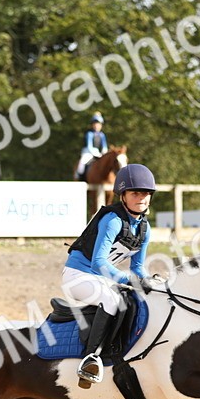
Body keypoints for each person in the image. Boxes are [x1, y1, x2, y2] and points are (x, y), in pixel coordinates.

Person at [62, 163, 156, 384]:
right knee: (112, 298)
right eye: (135, 193)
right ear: (123, 195)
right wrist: (128, 280)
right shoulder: (113, 220)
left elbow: (137, 268)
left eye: (145, 193)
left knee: (139, 299)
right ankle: (90, 358)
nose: (141, 198)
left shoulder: (145, 228)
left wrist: (149, 282)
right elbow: (97, 263)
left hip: (101, 278)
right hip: (76, 275)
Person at [74, 113, 108, 180]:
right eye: (95, 124)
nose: (96, 126)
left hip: (99, 153)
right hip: (88, 152)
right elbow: (89, 146)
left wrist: (104, 153)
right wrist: (96, 153)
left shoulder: (102, 135)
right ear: (92, 125)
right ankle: (78, 176)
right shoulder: (89, 134)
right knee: (82, 162)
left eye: (98, 124)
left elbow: (104, 147)